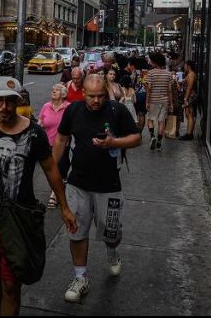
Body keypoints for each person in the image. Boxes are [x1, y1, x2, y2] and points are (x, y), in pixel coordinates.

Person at [0, 77, 77, 316]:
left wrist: (65, 207)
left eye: (10, 101)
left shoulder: (35, 134)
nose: (4, 107)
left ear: (18, 102)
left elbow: (51, 169)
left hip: (17, 222)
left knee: (11, 284)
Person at [51, 74, 141, 303]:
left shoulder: (116, 110)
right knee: (77, 231)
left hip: (109, 185)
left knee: (111, 231)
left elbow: (136, 138)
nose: (96, 101)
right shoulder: (73, 111)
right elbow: (61, 139)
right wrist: (51, 167)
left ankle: (112, 249)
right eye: (91, 96)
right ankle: (80, 278)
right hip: (77, 184)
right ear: (83, 93)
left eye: (101, 96)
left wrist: (113, 143)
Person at [39, 83, 71, 209]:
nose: (53, 91)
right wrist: (39, 125)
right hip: (47, 145)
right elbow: (41, 121)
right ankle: (60, 188)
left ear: (63, 94)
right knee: (51, 170)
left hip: (63, 145)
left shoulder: (68, 107)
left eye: (57, 90)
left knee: (59, 170)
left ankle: (54, 194)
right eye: (53, 89)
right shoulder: (46, 106)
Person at [145, 52, 173, 151]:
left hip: (153, 100)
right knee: (162, 122)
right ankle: (159, 144)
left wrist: (147, 102)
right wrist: (171, 104)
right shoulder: (168, 74)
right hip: (165, 101)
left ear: (154, 62)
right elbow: (170, 90)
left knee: (150, 119)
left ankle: (152, 136)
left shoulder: (150, 73)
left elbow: (149, 89)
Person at [179, 60, 198, 141]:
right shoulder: (190, 74)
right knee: (188, 114)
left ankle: (189, 134)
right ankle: (189, 132)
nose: (184, 67)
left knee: (189, 114)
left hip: (190, 96)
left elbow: (189, 88)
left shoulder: (191, 75)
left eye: (185, 65)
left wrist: (185, 99)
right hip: (189, 96)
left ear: (189, 66)